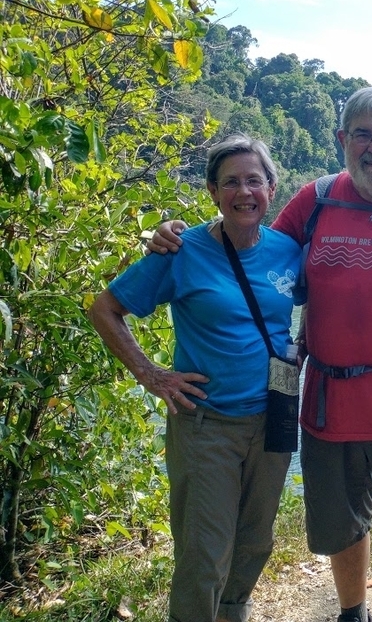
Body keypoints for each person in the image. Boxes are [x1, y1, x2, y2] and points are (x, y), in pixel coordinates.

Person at [149, 87, 372, 622]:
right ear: (342, 139)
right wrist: (171, 235)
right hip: (330, 402)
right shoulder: (315, 201)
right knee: (344, 523)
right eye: (363, 135)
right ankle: (354, 613)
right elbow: (251, 255)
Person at [89, 134, 301, 622]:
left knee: (255, 542)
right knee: (205, 556)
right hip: (206, 423)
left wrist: (305, 346)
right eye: (231, 182)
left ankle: (233, 613)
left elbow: (321, 297)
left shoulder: (287, 251)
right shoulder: (182, 251)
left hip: (273, 417)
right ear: (212, 191)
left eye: (254, 180)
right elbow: (106, 309)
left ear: (271, 187)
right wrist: (152, 375)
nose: (243, 191)